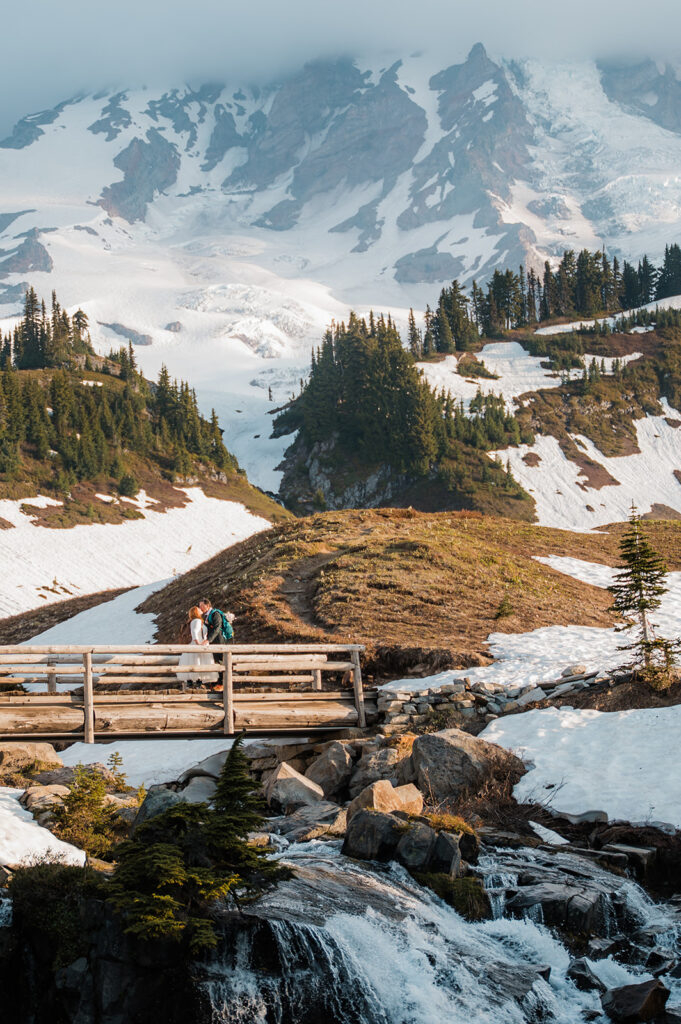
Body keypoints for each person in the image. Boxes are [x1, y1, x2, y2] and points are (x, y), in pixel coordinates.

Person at [177, 606, 218, 687]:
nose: (200, 609)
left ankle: (193, 681)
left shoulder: (194, 621)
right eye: (198, 609)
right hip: (197, 644)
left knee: (193, 661)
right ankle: (198, 681)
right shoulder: (197, 620)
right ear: (196, 612)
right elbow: (194, 632)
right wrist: (198, 643)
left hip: (195, 643)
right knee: (197, 661)